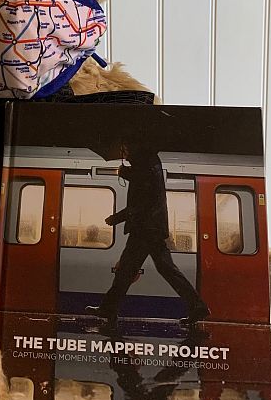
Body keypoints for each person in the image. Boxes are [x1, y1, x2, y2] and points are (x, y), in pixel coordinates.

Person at [86, 138, 210, 329]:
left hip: (146, 228)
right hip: (150, 227)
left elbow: (143, 201)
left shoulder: (145, 163)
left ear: (136, 145)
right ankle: (197, 307)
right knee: (158, 269)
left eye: (126, 148)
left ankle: (108, 308)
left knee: (130, 269)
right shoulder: (148, 162)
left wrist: (117, 216)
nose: (124, 153)